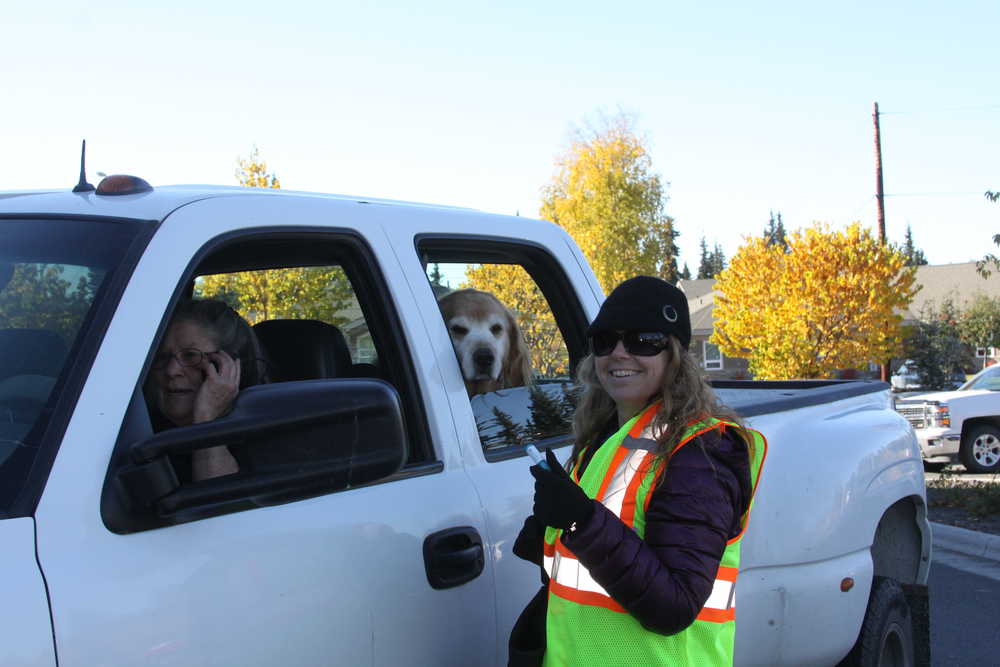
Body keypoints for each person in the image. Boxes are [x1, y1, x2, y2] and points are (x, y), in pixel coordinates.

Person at [511, 276, 766, 666]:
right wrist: (544, 528)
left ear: (675, 355)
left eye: (642, 340)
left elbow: (674, 606)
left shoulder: (701, 452)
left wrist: (580, 521)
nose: (618, 353)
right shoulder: (603, 440)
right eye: (604, 341)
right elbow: (579, 571)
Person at [146, 298, 268, 481]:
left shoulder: (266, 438)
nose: (171, 371)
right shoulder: (136, 432)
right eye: (162, 357)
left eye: (191, 356)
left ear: (229, 366)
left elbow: (224, 504)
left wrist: (205, 419)